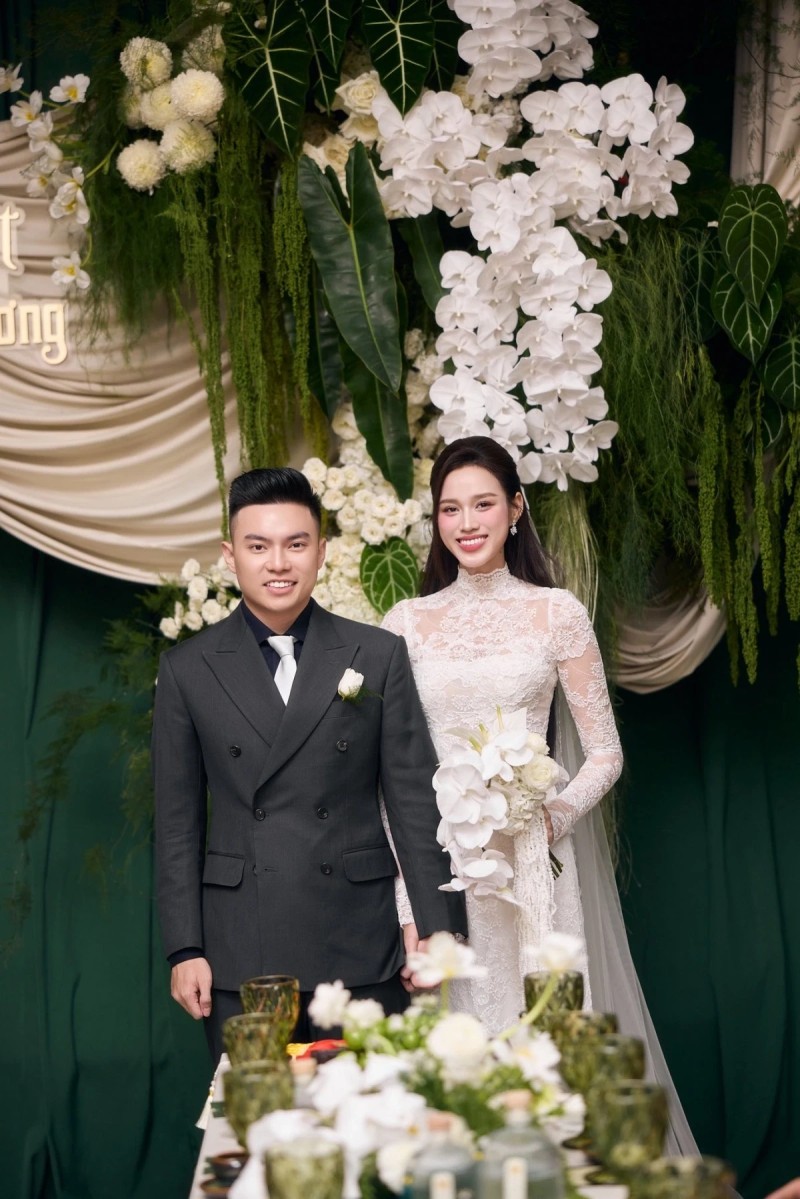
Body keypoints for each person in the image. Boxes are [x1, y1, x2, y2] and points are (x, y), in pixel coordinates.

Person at [382, 435, 697, 1153]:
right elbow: (388, 779)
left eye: (483, 504)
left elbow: (606, 752)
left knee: (547, 1057)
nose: (467, 522)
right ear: (435, 519)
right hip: (441, 871)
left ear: (516, 508)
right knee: (453, 1064)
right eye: (450, 508)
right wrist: (407, 904)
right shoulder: (405, 623)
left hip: (532, 871)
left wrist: (548, 815)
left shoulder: (557, 613)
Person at [152, 467, 466, 1063]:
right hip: (240, 947)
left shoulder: (377, 653)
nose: (278, 563)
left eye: (295, 544)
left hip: (360, 940)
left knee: (372, 1112)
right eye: (258, 546)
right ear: (230, 555)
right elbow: (176, 824)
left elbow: (414, 801)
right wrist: (184, 948)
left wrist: (436, 926)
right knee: (257, 1114)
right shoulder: (188, 669)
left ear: (322, 552)